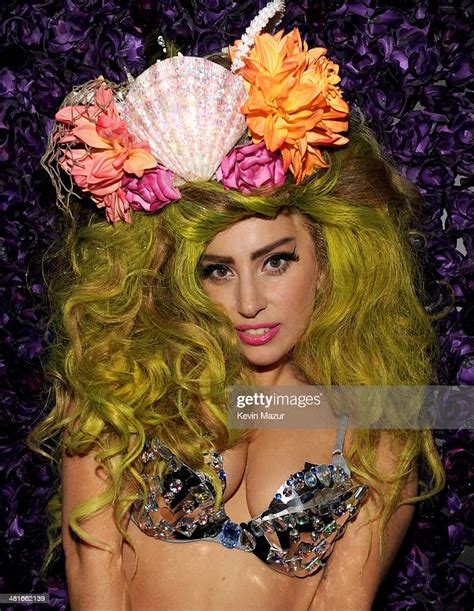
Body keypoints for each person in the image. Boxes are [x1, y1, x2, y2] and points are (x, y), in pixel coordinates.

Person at [28, 2, 445, 609]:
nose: (250, 302)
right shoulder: (122, 391)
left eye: (277, 261)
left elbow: (341, 602)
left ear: (328, 262)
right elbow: (95, 572)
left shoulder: (378, 425)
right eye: (217, 270)